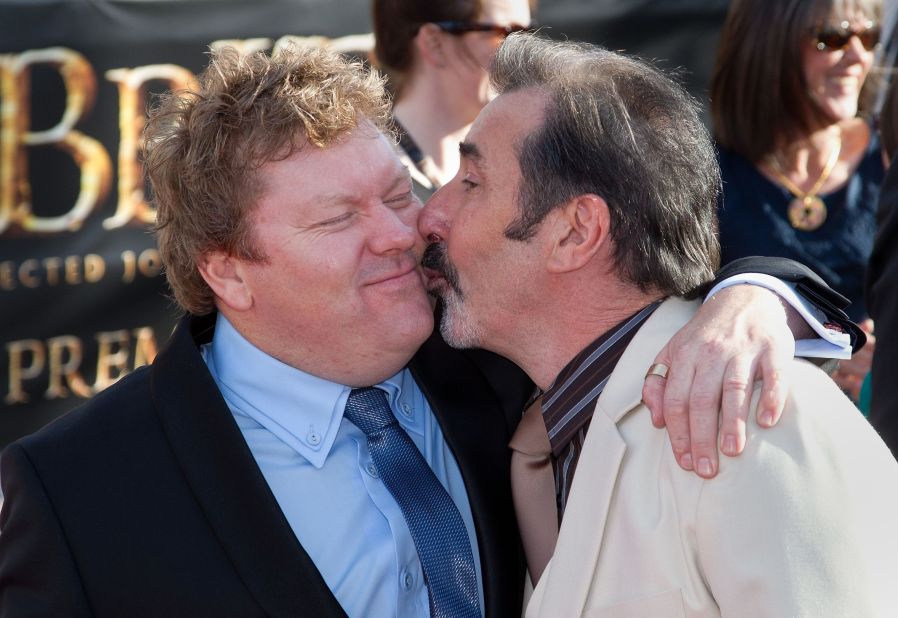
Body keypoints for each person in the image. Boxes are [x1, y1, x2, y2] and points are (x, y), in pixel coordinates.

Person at [0, 44, 859, 617]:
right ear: (226, 270)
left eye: (400, 193)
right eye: (338, 219)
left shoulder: (496, 366)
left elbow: (627, 284)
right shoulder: (78, 491)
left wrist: (757, 296)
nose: (404, 232)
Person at [419, 33, 898, 615]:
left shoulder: (754, 420)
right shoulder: (544, 443)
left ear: (574, 232)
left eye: (471, 183)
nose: (430, 214)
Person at [711, 0, 883, 400]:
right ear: (769, 44)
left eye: (869, 36)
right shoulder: (705, 176)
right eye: (833, 37)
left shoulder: (889, 157)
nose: (859, 56)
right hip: (760, 420)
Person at [372, 0, 531, 199]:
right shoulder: (373, 178)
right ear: (434, 43)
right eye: (505, 33)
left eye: (527, 35)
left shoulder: (523, 159)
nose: (522, 55)